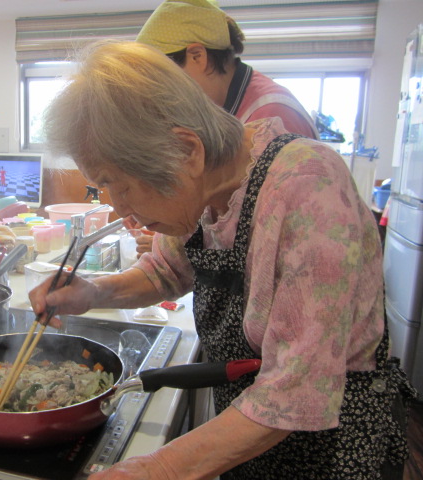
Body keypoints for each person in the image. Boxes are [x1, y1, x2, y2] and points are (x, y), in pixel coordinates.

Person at [31, 40, 416, 479]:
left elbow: (294, 391)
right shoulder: (204, 189)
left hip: (331, 447)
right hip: (250, 432)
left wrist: (162, 468)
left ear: (187, 151)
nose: (119, 209)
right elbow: (166, 271)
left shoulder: (309, 188)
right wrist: (94, 291)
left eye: (117, 184)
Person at [127, 0, 320, 255]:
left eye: (164, 80)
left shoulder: (272, 114)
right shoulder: (222, 112)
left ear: (197, 56)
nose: (162, 96)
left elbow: (271, 241)